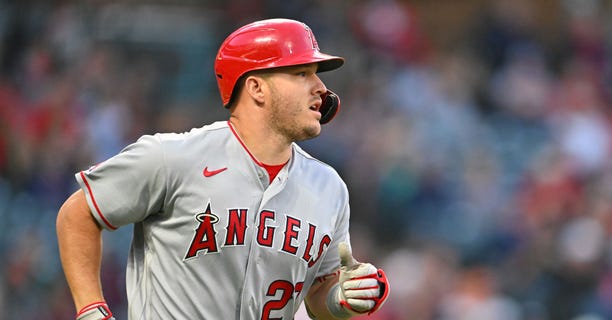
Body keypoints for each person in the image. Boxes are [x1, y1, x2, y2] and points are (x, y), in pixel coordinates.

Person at [56, 18, 389, 320]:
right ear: (256, 88)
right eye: (301, 73)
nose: (320, 88)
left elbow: (318, 293)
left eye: (316, 74)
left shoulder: (329, 186)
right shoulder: (173, 157)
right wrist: (91, 309)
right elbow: (77, 214)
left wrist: (340, 299)